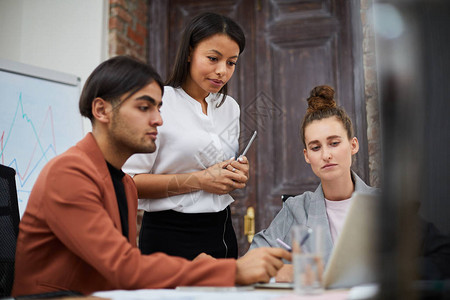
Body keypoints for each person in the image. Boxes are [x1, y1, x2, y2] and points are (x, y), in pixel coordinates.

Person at [11, 55, 291, 296]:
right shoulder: (69, 173)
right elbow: (124, 268)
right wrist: (228, 270)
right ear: (101, 110)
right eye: (144, 107)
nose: (158, 119)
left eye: (158, 107)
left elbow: (122, 270)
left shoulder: (123, 183)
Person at [123, 12, 248, 260]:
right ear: (190, 53)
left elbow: (219, 167)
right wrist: (200, 180)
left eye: (231, 62)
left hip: (222, 231)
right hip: (169, 234)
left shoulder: (229, 107)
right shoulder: (159, 102)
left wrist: (236, 171)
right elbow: (130, 183)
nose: (222, 71)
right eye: (213, 58)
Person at [250, 85, 377, 277]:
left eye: (334, 143)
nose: (326, 155)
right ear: (307, 155)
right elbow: (253, 260)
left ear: (353, 145)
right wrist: (283, 271)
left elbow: (431, 257)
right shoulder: (296, 208)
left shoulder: (384, 204)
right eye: (315, 147)